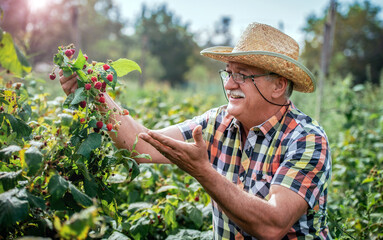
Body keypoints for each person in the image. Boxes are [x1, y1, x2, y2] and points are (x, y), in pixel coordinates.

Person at [59, 22, 332, 239]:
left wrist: (203, 171)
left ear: (278, 86)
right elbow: (140, 146)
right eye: (228, 73)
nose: (229, 85)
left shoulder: (306, 139)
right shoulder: (216, 122)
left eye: (243, 75)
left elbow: (272, 227)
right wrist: (95, 93)